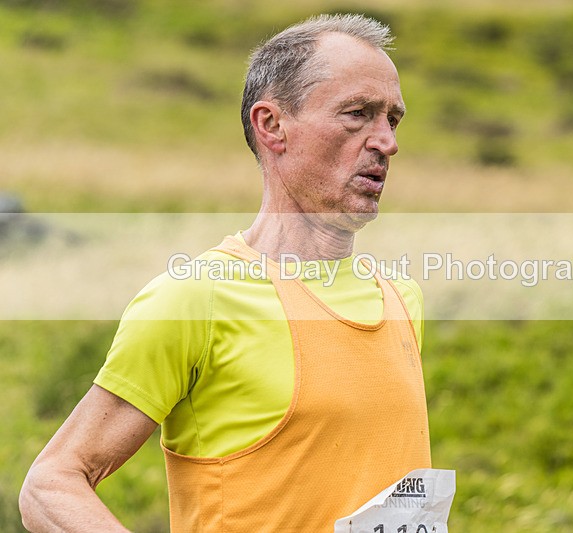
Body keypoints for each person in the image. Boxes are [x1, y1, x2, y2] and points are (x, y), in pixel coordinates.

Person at [19, 13, 432, 532]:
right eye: (358, 114)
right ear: (271, 125)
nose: (386, 142)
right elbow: (51, 483)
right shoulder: (196, 299)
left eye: (392, 119)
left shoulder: (400, 298)